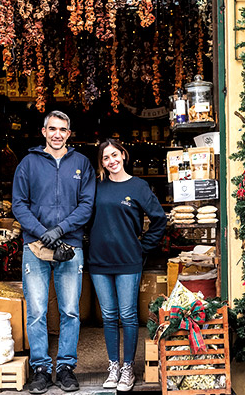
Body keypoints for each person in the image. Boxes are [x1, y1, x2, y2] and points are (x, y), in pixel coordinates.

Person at [12, 111, 96, 394]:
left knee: (70, 310)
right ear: (43, 131)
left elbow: (86, 205)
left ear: (69, 134)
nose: (57, 134)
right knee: (36, 310)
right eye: (52, 129)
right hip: (34, 247)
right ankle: (40, 369)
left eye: (63, 129)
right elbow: (18, 204)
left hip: (69, 246)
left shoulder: (82, 164)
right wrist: (40, 232)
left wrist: (58, 231)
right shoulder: (28, 163)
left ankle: (65, 368)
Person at [86, 139, 168, 391]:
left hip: (128, 261)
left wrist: (143, 247)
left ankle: (128, 368)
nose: (111, 161)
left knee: (129, 315)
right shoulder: (96, 187)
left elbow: (159, 219)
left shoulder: (139, 186)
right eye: (105, 158)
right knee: (109, 317)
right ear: (101, 163)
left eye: (114, 155)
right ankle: (113, 366)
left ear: (123, 154)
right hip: (99, 261)